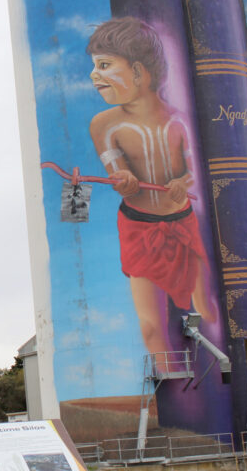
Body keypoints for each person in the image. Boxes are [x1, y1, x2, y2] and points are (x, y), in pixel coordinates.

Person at [86, 17, 214, 356]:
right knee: (150, 325)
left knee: (207, 309)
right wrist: (124, 182)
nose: (93, 75)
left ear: (140, 72)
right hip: (138, 229)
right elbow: (119, 176)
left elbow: (194, 172)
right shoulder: (103, 125)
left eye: (104, 65)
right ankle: (169, 384)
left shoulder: (181, 119)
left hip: (182, 224)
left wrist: (181, 184)